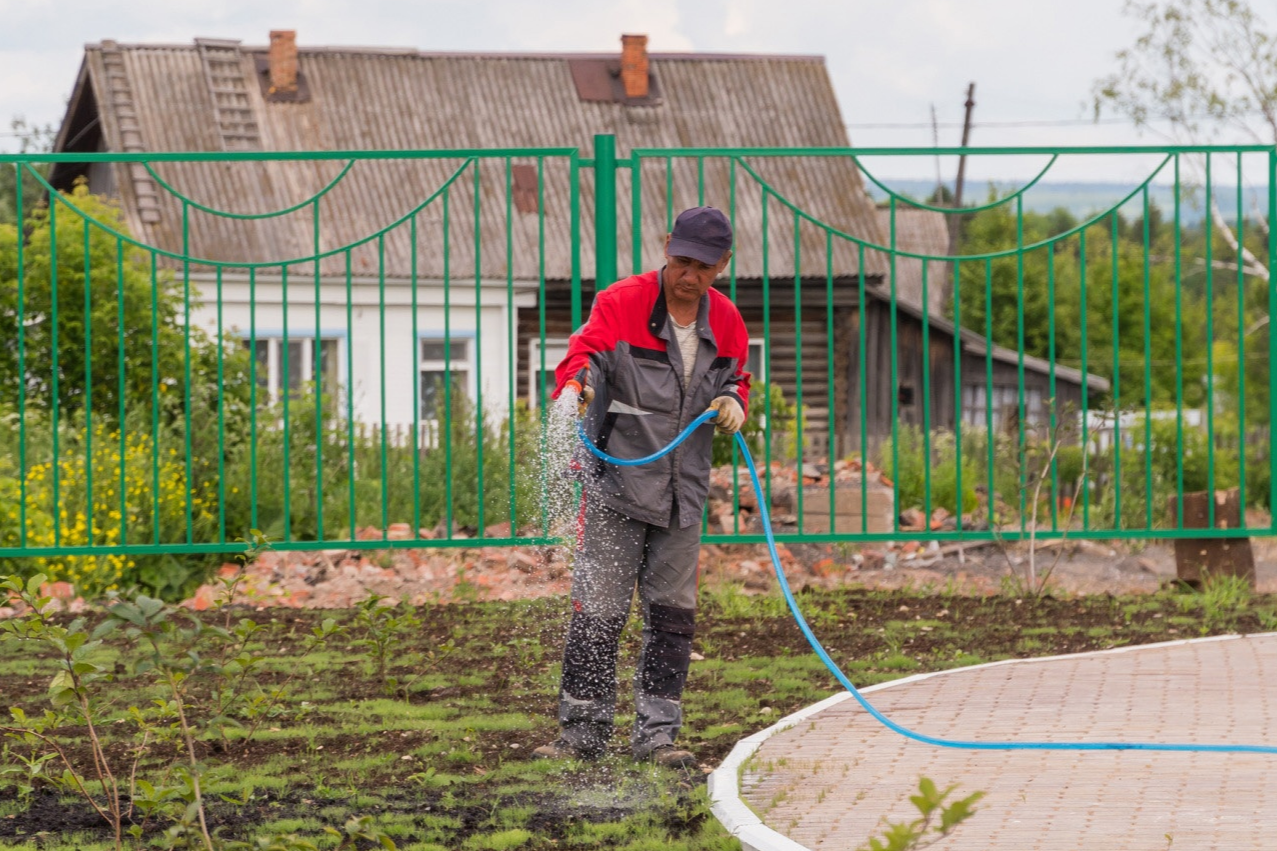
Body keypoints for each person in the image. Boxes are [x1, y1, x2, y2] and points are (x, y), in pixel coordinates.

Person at [534, 206, 751, 768]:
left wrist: (734, 402)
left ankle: (658, 737)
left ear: (722, 266)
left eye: (703, 266)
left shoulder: (726, 321)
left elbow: (735, 377)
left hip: (684, 494)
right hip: (617, 483)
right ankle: (582, 731)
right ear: (665, 249)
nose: (688, 275)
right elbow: (583, 355)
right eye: (681, 261)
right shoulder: (621, 303)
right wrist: (577, 387)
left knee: (673, 616)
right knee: (599, 611)